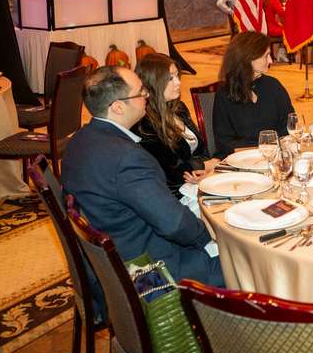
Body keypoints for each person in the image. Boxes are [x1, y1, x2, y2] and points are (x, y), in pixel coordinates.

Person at [61, 66, 224, 287]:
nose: (147, 94)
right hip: (147, 272)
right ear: (118, 107)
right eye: (140, 92)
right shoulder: (126, 158)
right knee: (248, 262)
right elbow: (174, 224)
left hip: (112, 259)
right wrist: (213, 236)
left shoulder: (79, 140)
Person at [133, 53, 219, 199]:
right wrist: (205, 166)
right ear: (153, 83)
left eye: (177, 75)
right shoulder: (144, 123)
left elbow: (201, 149)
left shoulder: (179, 108)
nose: (178, 82)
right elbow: (170, 171)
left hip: (198, 182)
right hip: (173, 195)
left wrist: (205, 171)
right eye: (170, 78)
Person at [212, 31, 294, 158]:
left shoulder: (273, 85)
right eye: (266, 56)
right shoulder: (226, 92)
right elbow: (224, 142)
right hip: (241, 159)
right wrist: (261, 149)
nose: (270, 60)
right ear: (249, 58)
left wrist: (274, 150)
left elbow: (288, 125)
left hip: (275, 157)